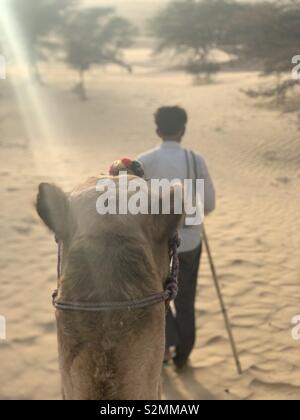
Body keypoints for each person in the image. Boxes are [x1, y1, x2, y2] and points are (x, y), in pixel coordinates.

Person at [138, 106, 216, 370]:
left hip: (155, 245)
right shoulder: (196, 160)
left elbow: (136, 206)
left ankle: (165, 348)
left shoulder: (143, 162)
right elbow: (209, 204)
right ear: (183, 130)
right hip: (190, 242)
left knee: (157, 299)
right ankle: (183, 355)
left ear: (158, 130)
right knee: (185, 300)